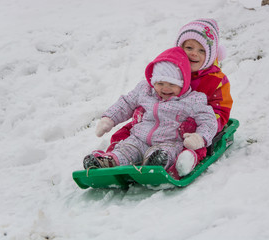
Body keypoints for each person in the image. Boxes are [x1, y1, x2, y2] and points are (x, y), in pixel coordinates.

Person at [86, 18, 233, 177]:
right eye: (189, 47)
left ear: (211, 55)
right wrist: (110, 118)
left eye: (202, 50)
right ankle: (111, 159)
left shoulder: (212, 83)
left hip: (182, 132)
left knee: (182, 147)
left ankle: (161, 161)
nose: (194, 53)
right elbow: (128, 101)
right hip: (151, 126)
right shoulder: (166, 68)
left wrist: (201, 133)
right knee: (127, 136)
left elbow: (215, 113)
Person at [83, 47, 218, 170]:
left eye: (172, 84)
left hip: (169, 142)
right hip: (138, 139)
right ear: (153, 82)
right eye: (160, 83)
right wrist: (109, 119)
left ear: (183, 83)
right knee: (126, 149)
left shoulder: (192, 100)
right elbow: (126, 103)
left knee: (166, 153)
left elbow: (209, 120)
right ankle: (108, 162)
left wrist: (200, 137)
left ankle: (156, 163)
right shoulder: (145, 90)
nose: (165, 88)